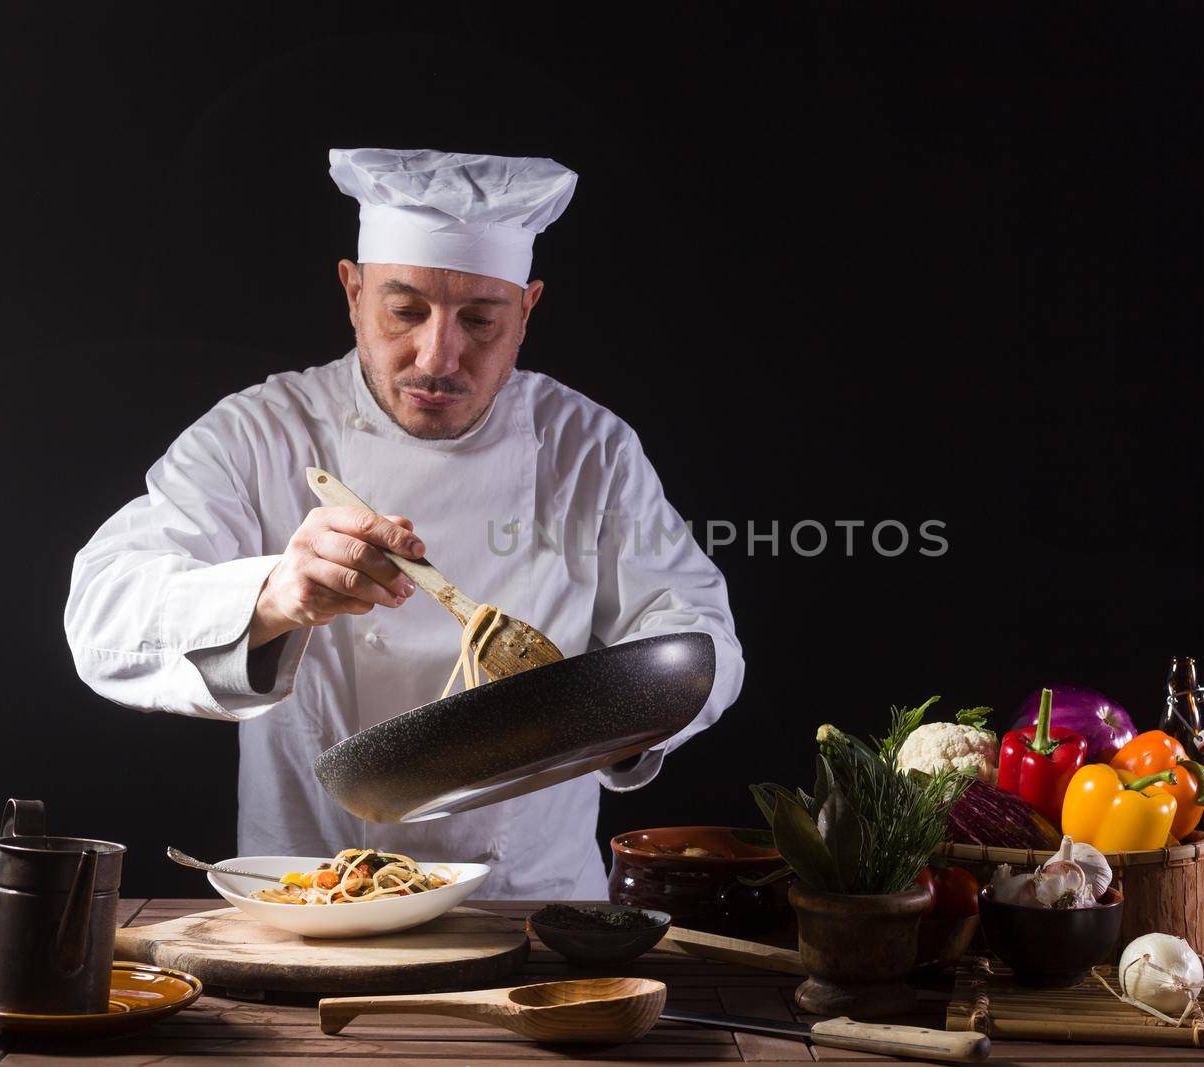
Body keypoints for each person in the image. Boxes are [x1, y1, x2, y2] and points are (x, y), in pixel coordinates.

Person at [64, 148, 744, 898]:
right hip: (313, 904)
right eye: (405, 310)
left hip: (533, 909)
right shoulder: (259, 435)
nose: (438, 356)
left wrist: (609, 713)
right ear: (353, 292)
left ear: (527, 312)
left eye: (481, 320)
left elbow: (700, 631)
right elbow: (102, 612)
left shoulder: (590, 449)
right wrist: (271, 595)